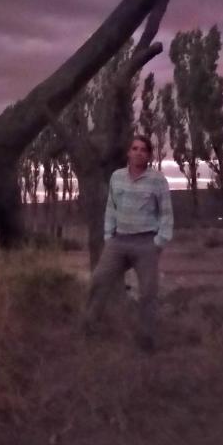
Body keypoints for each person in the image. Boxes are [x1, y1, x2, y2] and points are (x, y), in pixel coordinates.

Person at [83, 134, 174, 352]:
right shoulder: (117, 177)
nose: (138, 152)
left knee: (148, 293)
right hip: (118, 242)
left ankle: (147, 341)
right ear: (128, 153)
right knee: (98, 280)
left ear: (149, 154)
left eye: (143, 149)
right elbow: (111, 208)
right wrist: (108, 236)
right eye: (134, 148)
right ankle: (88, 328)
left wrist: (159, 242)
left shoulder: (157, 180)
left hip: (146, 244)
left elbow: (166, 214)